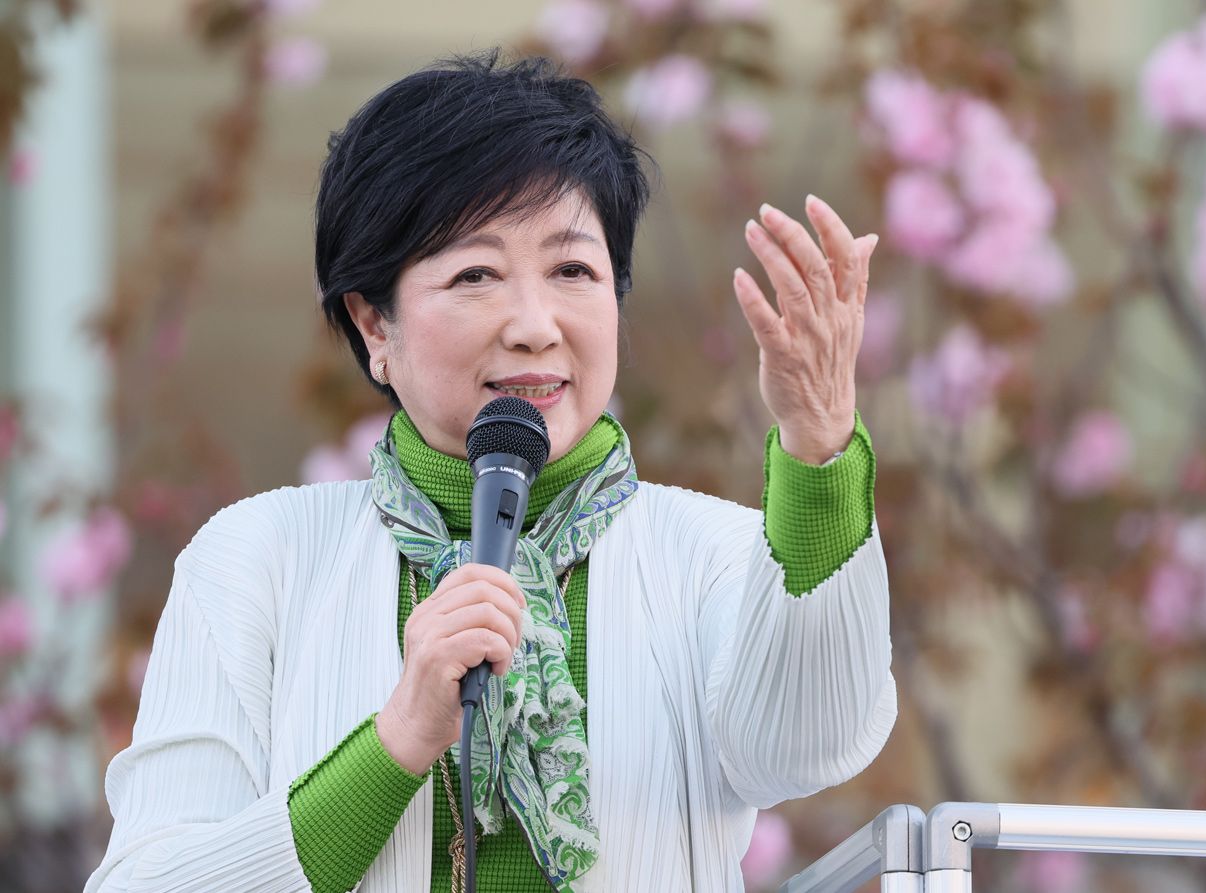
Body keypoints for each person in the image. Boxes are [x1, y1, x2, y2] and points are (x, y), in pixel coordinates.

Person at [85, 51, 897, 893]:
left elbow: (810, 739)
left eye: (573, 271)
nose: (535, 325)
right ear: (374, 325)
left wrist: (818, 447)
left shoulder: (714, 554)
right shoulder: (256, 560)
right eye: (476, 274)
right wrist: (397, 739)